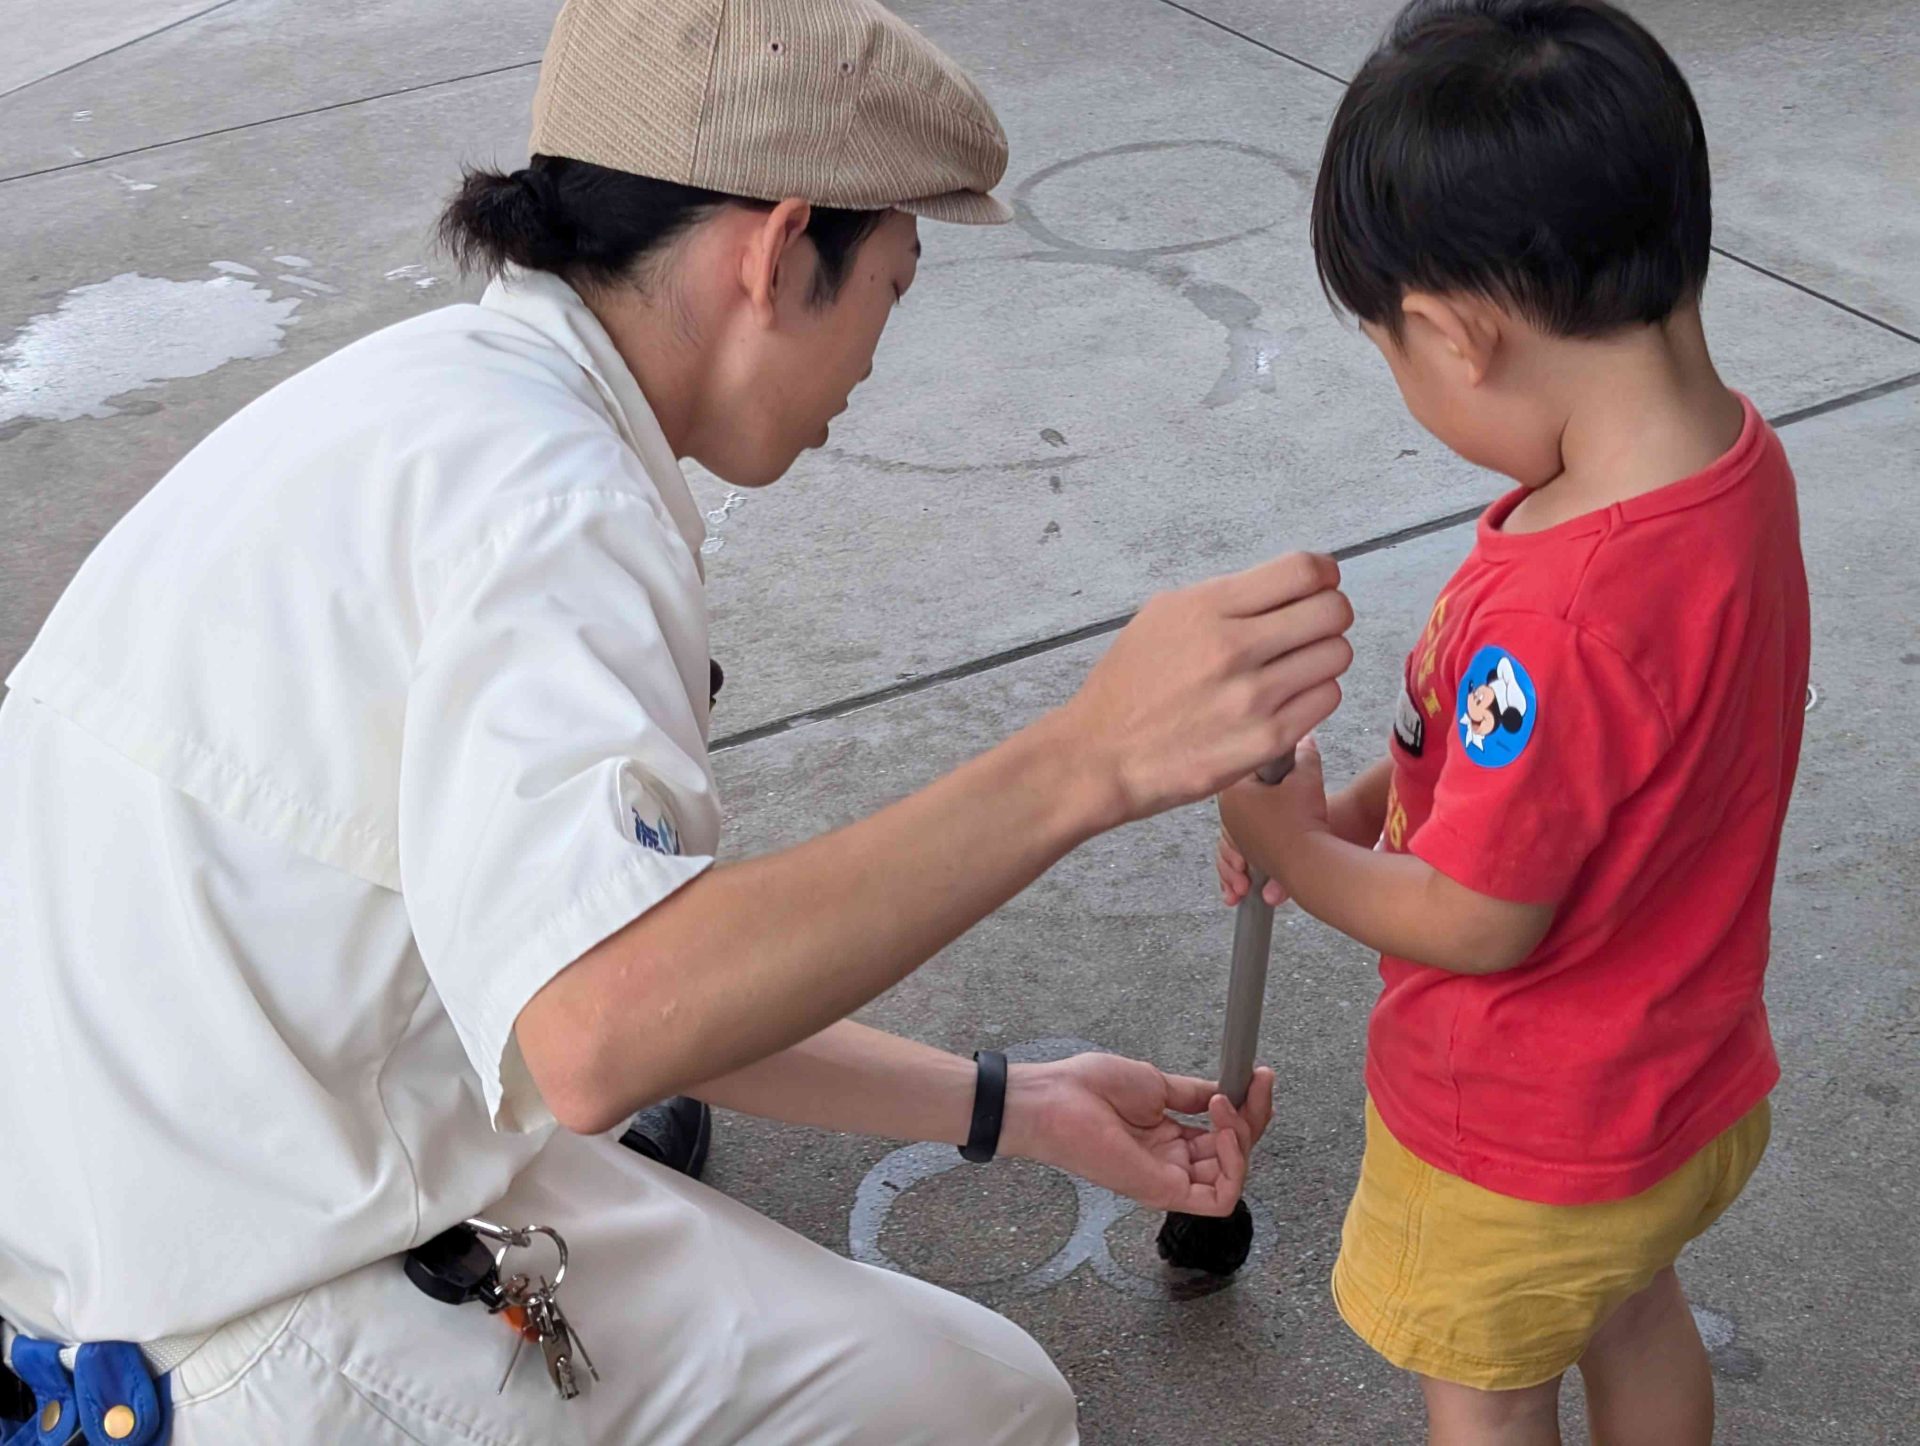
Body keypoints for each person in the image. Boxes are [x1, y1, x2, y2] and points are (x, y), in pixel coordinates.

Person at [0, 1, 1355, 1442]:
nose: (878, 360)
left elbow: (610, 967)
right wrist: (1090, 758)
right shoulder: (558, 512)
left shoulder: (427, 403)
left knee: (974, 1386)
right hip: (236, 1333)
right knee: (990, 1418)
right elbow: (602, 1026)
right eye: (892, 290)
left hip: (190, 1187)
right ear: (776, 253)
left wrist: (1007, 1103)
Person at [1215, 2, 1808, 1443]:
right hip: (1679, 1088)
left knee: (1483, 1379)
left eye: (1390, 353)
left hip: (1520, 1138)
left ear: (1451, 334)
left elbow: (1482, 915)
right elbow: (1554, 788)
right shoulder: (1737, 472)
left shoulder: (1558, 608)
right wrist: (1353, 814)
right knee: (1629, 1302)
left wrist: (1281, 833)